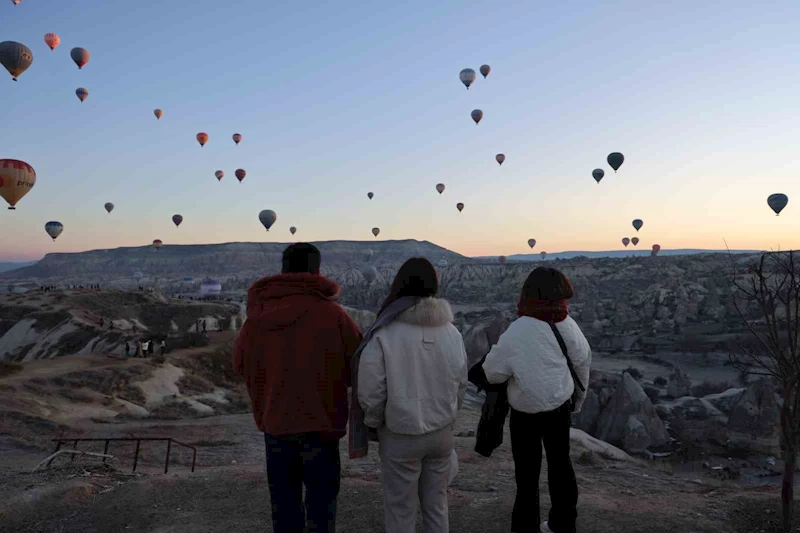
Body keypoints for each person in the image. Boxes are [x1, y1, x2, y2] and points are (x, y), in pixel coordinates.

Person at [232, 243, 363, 533]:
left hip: (276, 423)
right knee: (322, 506)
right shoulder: (334, 315)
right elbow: (359, 365)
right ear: (317, 271)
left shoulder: (257, 317)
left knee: (284, 505)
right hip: (322, 424)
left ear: (283, 269)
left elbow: (239, 364)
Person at [357, 257, 468, 533]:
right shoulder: (452, 332)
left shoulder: (384, 332)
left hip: (400, 433)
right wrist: (449, 415)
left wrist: (374, 422)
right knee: (437, 505)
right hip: (441, 432)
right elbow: (460, 382)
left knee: (400, 508)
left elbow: (372, 390)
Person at [480, 267, 591, 533]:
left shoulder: (518, 329)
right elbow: (583, 362)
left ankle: (524, 527)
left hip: (525, 411)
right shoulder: (567, 324)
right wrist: (579, 399)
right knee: (561, 467)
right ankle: (563, 524)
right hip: (559, 406)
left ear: (527, 293)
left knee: (527, 477)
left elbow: (492, 372)